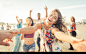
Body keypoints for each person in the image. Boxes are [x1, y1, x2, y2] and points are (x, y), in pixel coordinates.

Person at [10, 9, 86, 52]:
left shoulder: (53, 28)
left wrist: (71, 39)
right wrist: (19, 30)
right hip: (44, 48)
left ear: (55, 22)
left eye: (55, 17)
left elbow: (58, 34)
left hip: (54, 49)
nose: (52, 17)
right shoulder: (41, 24)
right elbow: (32, 29)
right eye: (51, 14)